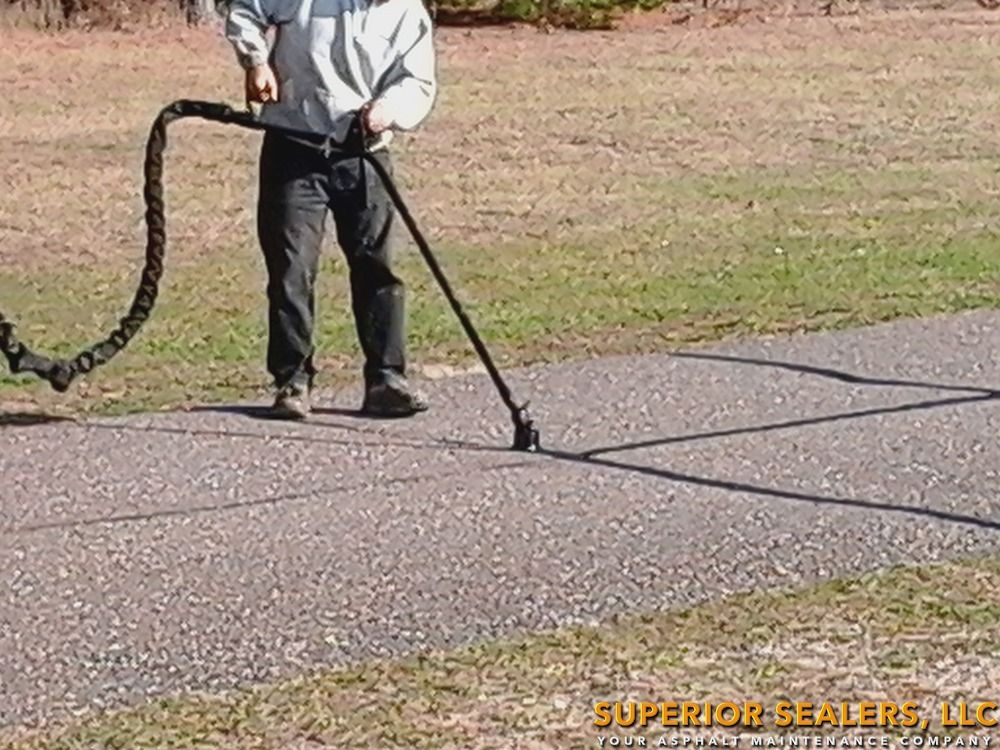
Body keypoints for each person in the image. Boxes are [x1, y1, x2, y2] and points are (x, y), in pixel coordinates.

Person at [224, 0, 437, 419]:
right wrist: (256, 61)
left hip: (363, 155)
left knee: (376, 266)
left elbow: (417, 82)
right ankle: (292, 381)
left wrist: (388, 109)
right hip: (293, 146)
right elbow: (245, 8)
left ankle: (386, 380)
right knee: (291, 269)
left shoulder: (407, 13)